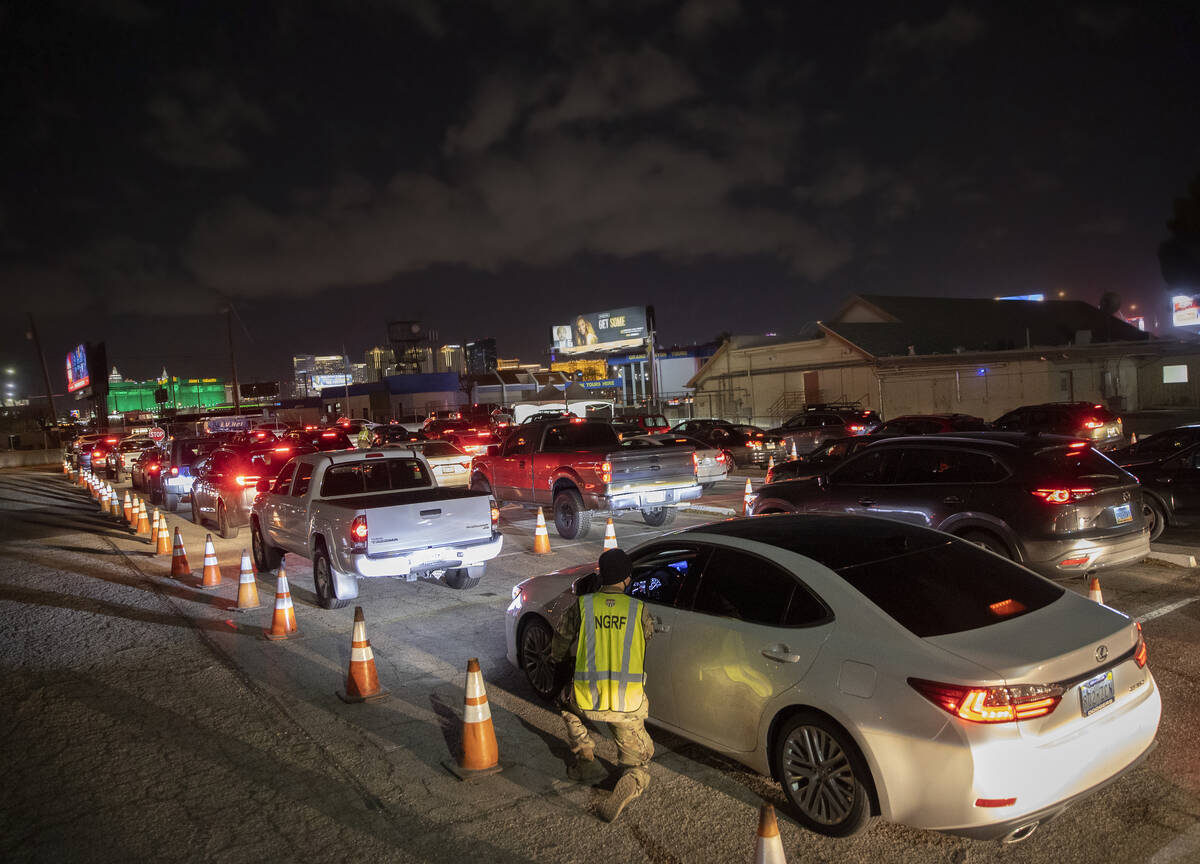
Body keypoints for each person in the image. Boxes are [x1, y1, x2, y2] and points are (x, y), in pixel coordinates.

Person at [550, 548, 655, 823]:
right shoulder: (640, 611)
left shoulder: (583, 606)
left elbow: (560, 638)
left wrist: (557, 661)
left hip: (585, 698)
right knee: (640, 758)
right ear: (627, 579)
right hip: (626, 705)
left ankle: (586, 760)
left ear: (600, 576)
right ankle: (632, 778)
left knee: (563, 703)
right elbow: (647, 640)